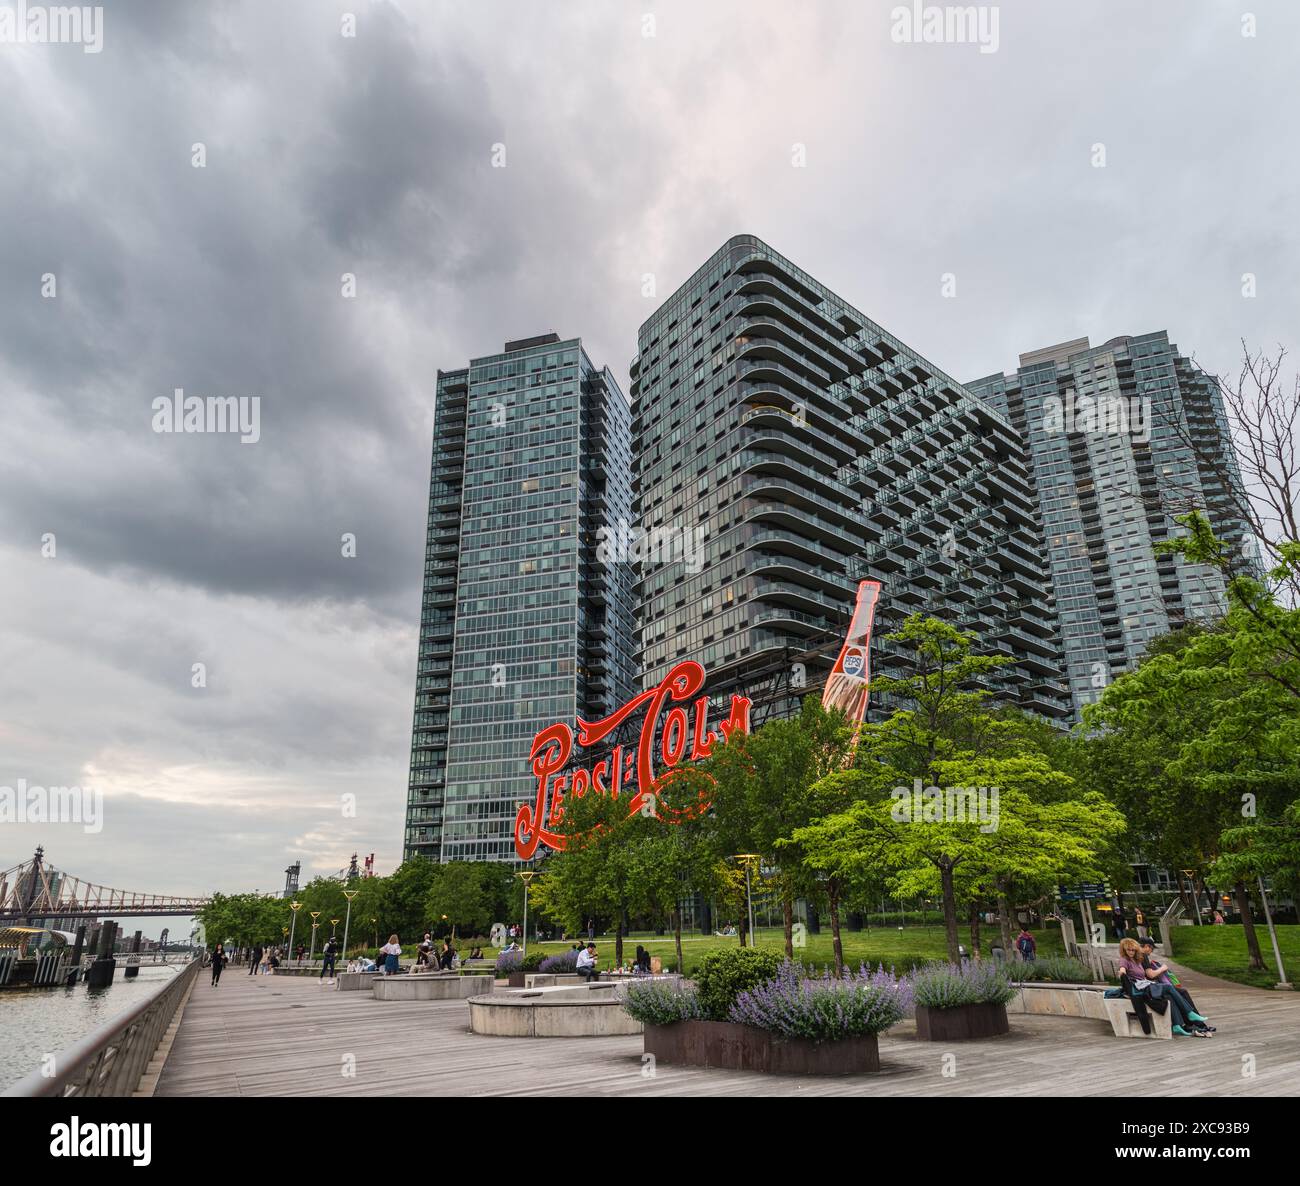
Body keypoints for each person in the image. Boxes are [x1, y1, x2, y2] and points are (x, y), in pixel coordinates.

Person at [1117, 938, 1205, 1038]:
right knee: (1169, 987)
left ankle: (1177, 1025)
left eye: (1133, 950)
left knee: (1170, 995)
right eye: (1129, 950)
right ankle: (1189, 1012)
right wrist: (1122, 973)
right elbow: (1122, 969)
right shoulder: (1124, 959)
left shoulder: (1137, 959)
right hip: (1140, 988)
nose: (1131, 952)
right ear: (1124, 950)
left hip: (1146, 984)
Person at [1138, 938, 1214, 1032]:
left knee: (1181, 992)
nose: (1151, 951)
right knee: (1180, 993)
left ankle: (1194, 1022)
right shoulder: (1143, 955)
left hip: (1146, 986)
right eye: (1152, 949)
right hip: (1149, 988)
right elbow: (1151, 974)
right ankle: (1194, 1022)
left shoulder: (1138, 956)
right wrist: (1163, 968)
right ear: (1146, 946)